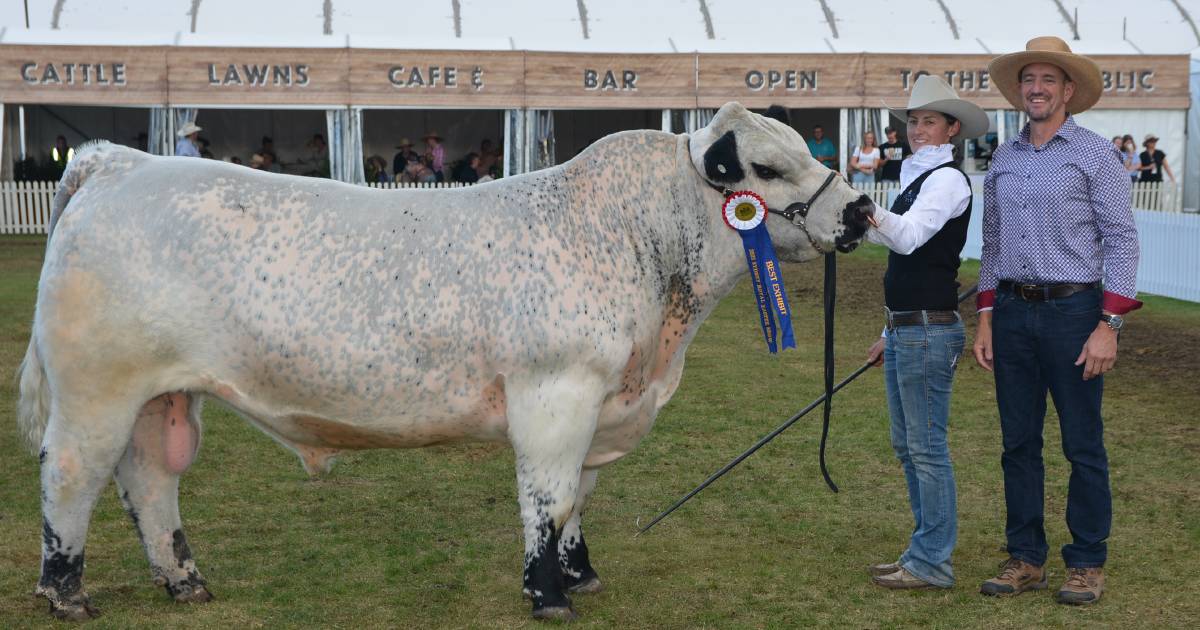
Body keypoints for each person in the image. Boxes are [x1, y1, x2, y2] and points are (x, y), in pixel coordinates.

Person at [974, 36, 1141, 606]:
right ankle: (1025, 557)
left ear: (1068, 90)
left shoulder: (1094, 153)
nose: (1037, 89)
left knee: (1081, 443)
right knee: (1018, 443)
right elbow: (992, 244)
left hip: (1075, 313)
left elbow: (1121, 240)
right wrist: (987, 318)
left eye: (1048, 80)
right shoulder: (1004, 156)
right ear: (1019, 90)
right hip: (1014, 313)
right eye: (1029, 80)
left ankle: (1087, 561)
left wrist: (1108, 326)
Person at [862, 75, 990, 592]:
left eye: (928, 121)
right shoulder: (918, 176)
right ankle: (923, 551)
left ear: (951, 129)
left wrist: (864, 209)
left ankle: (932, 561)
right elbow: (897, 249)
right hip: (907, 329)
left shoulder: (947, 180)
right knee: (907, 444)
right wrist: (886, 330)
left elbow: (910, 238)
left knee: (926, 447)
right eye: (912, 121)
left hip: (928, 331)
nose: (917, 129)